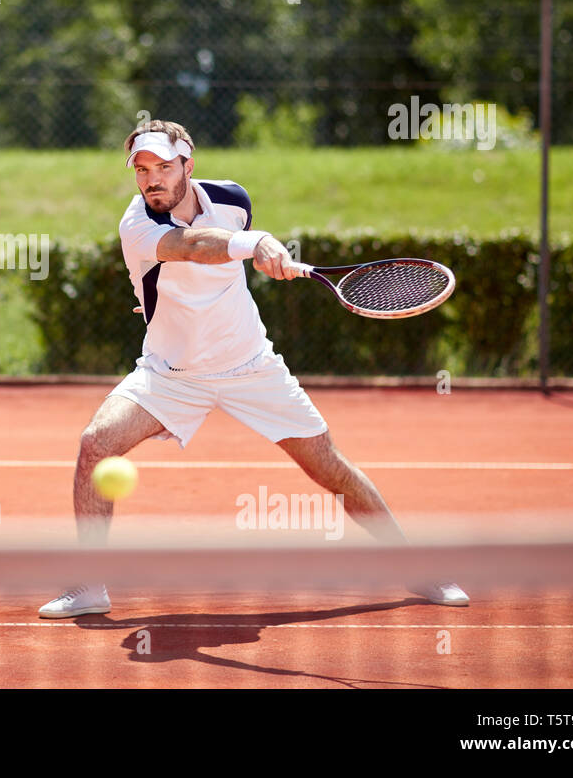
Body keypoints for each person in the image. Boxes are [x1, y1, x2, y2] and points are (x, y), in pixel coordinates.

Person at [38, 120, 468, 618]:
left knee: (330, 468)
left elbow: (224, 249)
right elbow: (195, 247)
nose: (151, 179)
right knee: (96, 442)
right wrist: (257, 244)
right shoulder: (137, 223)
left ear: (188, 165)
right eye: (141, 170)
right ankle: (89, 584)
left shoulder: (233, 200)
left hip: (251, 366)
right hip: (171, 375)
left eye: (163, 166)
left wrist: (260, 254)